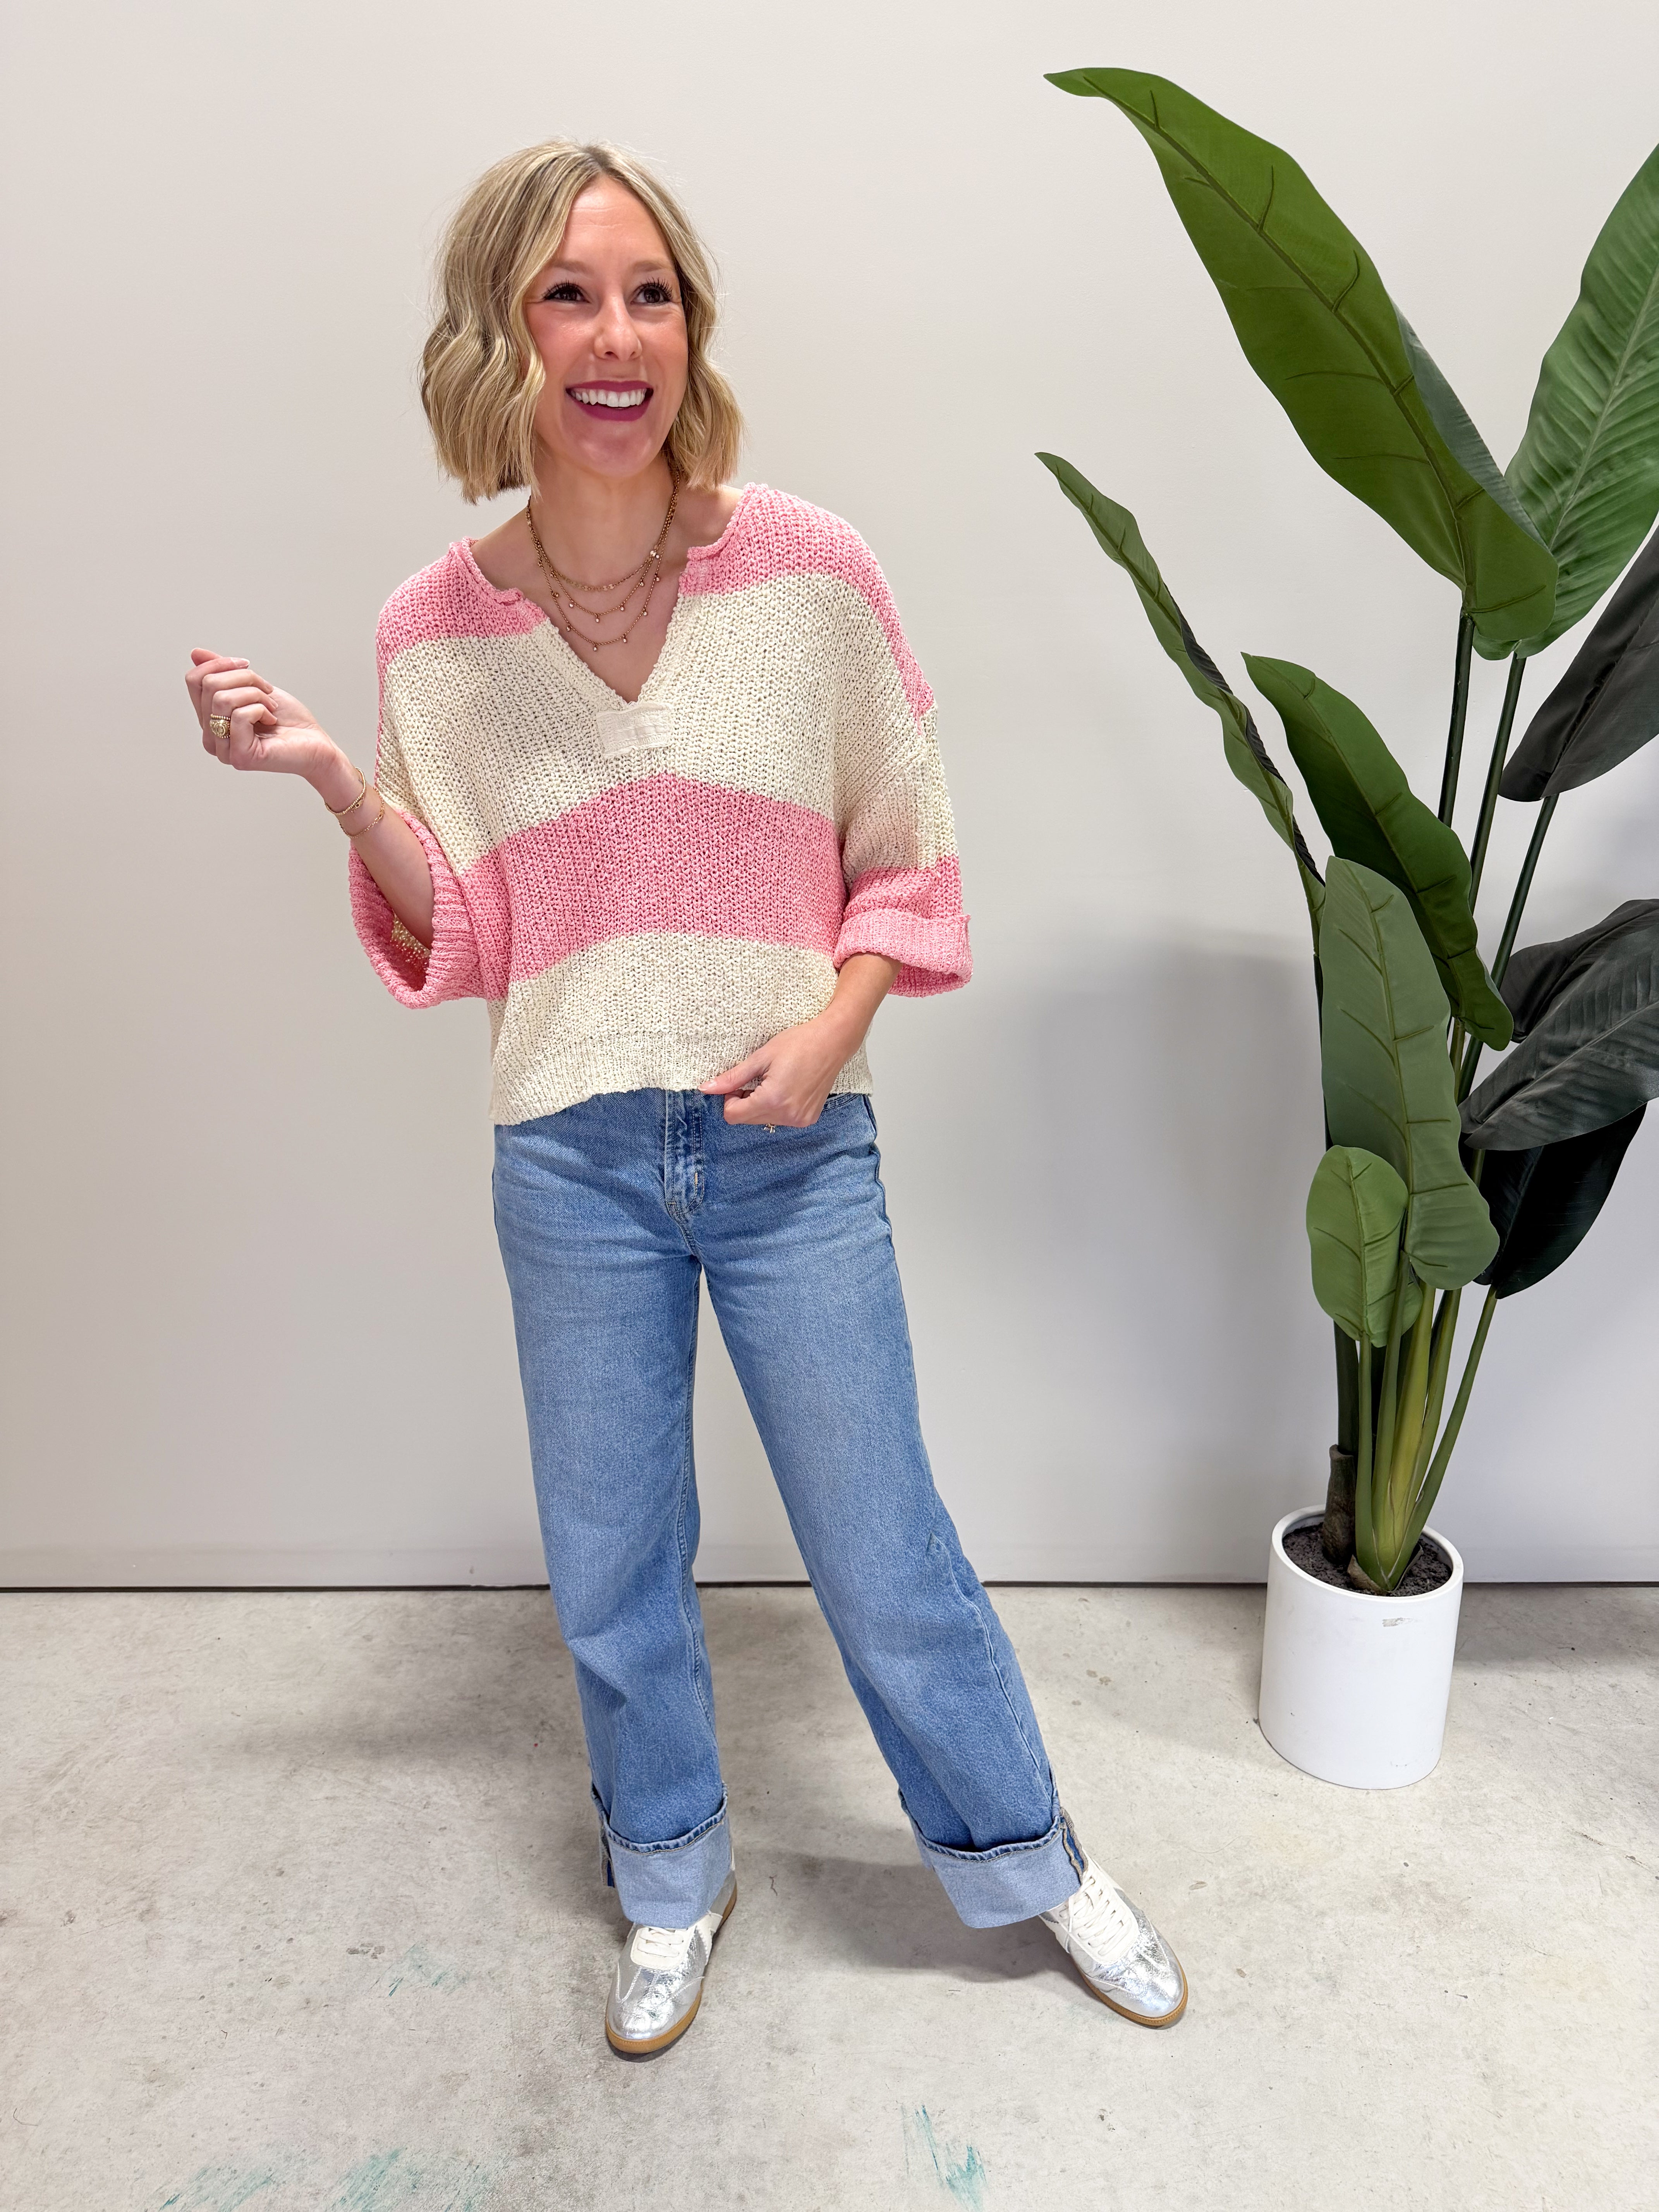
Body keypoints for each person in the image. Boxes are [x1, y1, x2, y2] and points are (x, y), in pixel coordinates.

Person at [185, 139, 1187, 2056]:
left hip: (792, 1146)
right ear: (501, 334)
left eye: (652, 294)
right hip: (571, 1160)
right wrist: (333, 779)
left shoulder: (809, 570)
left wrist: (830, 1028)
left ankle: (1029, 1855)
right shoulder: (432, 633)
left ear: (691, 328)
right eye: (570, 295)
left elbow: (908, 849)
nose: (618, 336)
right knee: (614, 1565)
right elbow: (473, 934)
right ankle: (669, 1873)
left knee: (884, 1550)